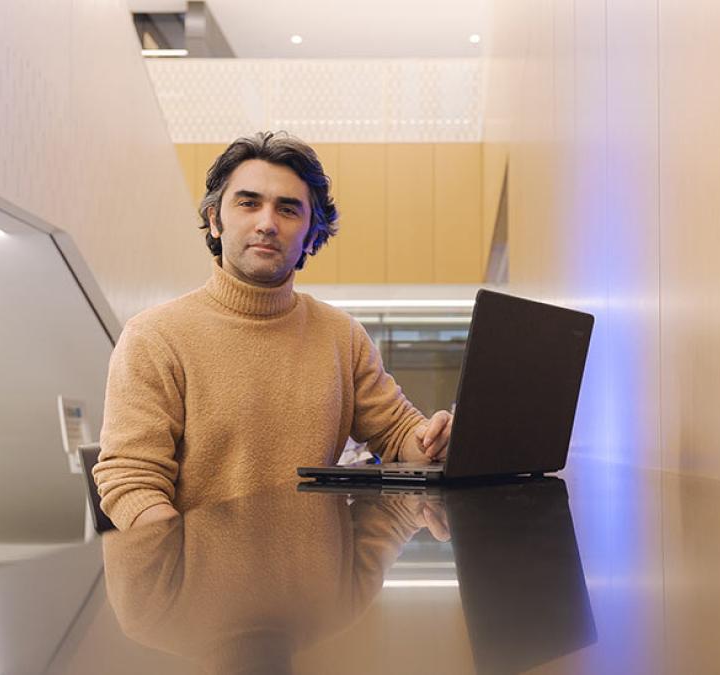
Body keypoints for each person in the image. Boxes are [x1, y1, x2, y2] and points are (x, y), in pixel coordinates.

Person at [93, 131, 453, 530]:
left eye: (288, 209)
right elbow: (130, 481)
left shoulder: (342, 337)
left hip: (315, 586)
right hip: (204, 584)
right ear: (215, 220)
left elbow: (397, 433)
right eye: (248, 203)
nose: (267, 223)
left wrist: (434, 439)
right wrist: (184, 567)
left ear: (312, 233)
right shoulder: (153, 338)